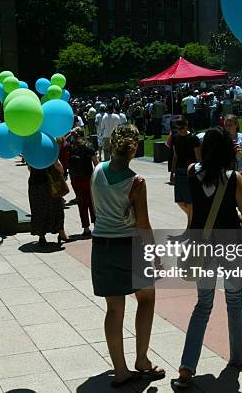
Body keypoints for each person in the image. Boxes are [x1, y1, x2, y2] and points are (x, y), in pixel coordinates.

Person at [174, 127, 242, 389]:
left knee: (203, 305)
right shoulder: (235, 178)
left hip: (202, 246)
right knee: (234, 301)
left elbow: (192, 209)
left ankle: (187, 367)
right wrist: (238, 220)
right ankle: (237, 357)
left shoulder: (190, 172)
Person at [90, 124, 165, 388]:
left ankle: (120, 370)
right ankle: (142, 360)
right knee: (146, 299)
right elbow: (142, 224)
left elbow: (96, 207)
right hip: (130, 245)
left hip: (101, 245)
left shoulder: (97, 170)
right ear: (133, 149)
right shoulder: (136, 182)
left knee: (113, 309)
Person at [168, 116, 201, 230]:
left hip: (191, 171)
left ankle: (190, 225)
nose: (181, 130)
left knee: (189, 200)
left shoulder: (193, 138)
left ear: (187, 125)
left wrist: (199, 173)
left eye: (183, 127)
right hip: (179, 170)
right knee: (180, 200)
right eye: (178, 128)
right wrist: (172, 172)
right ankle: (194, 216)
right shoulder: (175, 138)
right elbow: (175, 156)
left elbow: (198, 158)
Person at [28, 161, 70, 246]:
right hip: (50, 183)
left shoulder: (30, 152)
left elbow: (29, 168)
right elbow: (58, 165)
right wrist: (62, 173)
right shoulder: (49, 149)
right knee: (57, 208)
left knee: (38, 209)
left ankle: (42, 236)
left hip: (35, 184)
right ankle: (61, 233)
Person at [67, 128, 98, 236]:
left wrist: (69, 135)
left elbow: (60, 143)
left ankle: (86, 228)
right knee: (92, 202)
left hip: (76, 179)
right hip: (88, 178)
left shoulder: (71, 147)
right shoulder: (88, 146)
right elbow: (96, 163)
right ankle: (96, 226)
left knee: (82, 203)